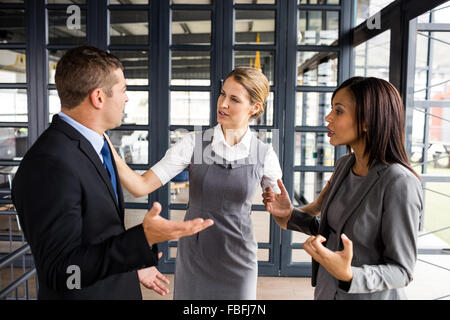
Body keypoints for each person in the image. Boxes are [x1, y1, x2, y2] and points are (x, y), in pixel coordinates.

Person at [11, 46, 213, 300]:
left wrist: (131, 265)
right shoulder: (49, 164)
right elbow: (61, 271)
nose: (127, 98)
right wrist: (142, 239)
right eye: (123, 90)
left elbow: (97, 234)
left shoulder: (96, 145)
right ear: (98, 98)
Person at [107, 67, 282, 299]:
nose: (223, 104)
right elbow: (140, 186)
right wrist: (105, 144)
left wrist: (280, 205)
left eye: (234, 99)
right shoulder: (194, 144)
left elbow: (282, 211)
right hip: (196, 254)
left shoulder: (265, 153)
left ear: (255, 108)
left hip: (239, 255)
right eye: (222, 94)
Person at [263, 76, 423, 300]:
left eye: (338, 111)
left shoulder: (400, 182)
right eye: (331, 109)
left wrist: (349, 274)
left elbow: (402, 271)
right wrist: (290, 216)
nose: (327, 118)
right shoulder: (344, 165)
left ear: (367, 120)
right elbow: (333, 231)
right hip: (328, 293)